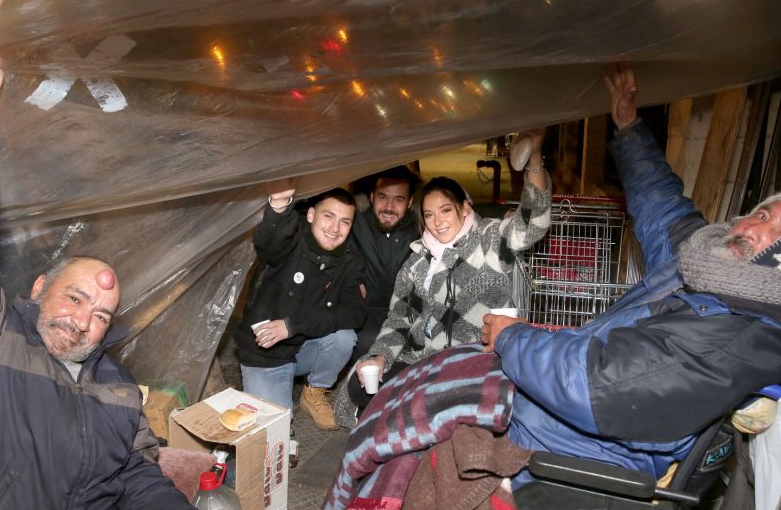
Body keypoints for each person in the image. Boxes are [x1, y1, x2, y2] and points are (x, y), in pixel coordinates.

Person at [0, 41, 359, 510]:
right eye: (76, 297)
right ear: (40, 287)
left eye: (101, 314)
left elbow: (134, 476)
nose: (86, 319)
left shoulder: (114, 386)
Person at [485, 63, 781, 481]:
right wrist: (629, 128)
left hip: (565, 447)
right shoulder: (719, 272)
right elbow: (664, 210)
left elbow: (594, 387)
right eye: (762, 214)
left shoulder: (730, 337)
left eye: (779, 234)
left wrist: (512, 337)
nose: (748, 228)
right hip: (558, 409)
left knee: (431, 419)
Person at [344, 133, 553, 416]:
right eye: (429, 215)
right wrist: (380, 358)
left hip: (472, 359)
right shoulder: (417, 261)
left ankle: (417, 411)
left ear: (465, 208)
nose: (437, 222)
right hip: (422, 359)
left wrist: (535, 159)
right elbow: (398, 320)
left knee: (437, 403)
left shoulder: (488, 239)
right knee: (360, 387)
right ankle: (415, 408)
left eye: (445, 210)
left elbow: (533, 222)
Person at [234, 181, 366, 431]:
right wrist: (279, 204)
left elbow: (355, 312)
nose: (335, 228)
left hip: (305, 346)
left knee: (344, 337)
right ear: (311, 214)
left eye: (345, 222)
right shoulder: (290, 243)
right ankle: (276, 398)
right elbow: (269, 241)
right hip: (266, 355)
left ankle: (314, 392)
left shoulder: (350, 260)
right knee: (275, 432)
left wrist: (293, 325)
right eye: (328, 216)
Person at [348, 166, 421, 362]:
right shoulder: (353, 224)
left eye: (398, 199)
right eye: (382, 197)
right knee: (363, 345)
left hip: (410, 313)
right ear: (371, 196)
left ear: (410, 202)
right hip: (367, 313)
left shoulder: (422, 228)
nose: (389, 207)